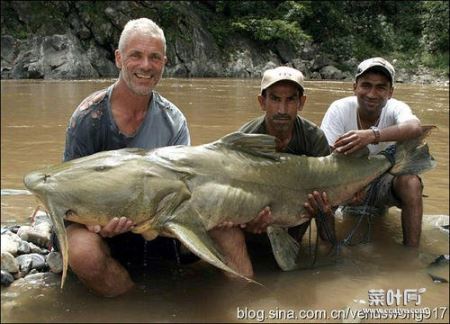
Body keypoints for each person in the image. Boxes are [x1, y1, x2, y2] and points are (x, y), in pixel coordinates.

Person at [62, 18, 192, 297]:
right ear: (119, 59)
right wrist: (95, 223)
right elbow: (68, 195)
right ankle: (131, 304)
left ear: (163, 63)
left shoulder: (174, 121)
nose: (146, 65)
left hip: (153, 222)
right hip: (95, 224)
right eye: (136, 55)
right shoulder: (88, 117)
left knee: (218, 229)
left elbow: (182, 191)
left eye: (154, 57)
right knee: (83, 252)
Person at [210, 66, 334, 277]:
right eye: (275, 99)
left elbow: (332, 185)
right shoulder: (244, 139)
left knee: (328, 236)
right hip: (255, 220)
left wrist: (325, 210)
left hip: (298, 214)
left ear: (301, 102)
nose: (282, 110)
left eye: (290, 100)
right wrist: (247, 222)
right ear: (262, 102)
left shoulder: (314, 139)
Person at [320, 57, 424, 247]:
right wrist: (351, 186)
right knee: (322, 190)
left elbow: (415, 127)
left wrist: (372, 135)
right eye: (366, 85)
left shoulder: (396, 108)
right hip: (346, 180)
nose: (371, 94)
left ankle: (411, 253)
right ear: (354, 87)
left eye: (380, 87)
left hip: (384, 180)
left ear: (390, 92)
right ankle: (328, 250)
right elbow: (326, 159)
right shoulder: (339, 109)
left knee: (411, 183)